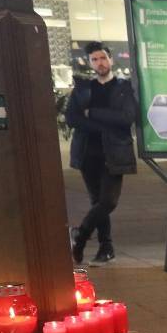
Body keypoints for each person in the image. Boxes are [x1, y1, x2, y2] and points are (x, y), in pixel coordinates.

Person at [65, 42, 137, 265]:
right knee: (97, 201)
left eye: (103, 58)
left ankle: (81, 234)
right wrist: (104, 124)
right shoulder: (83, 89)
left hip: (114, 152)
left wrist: (93, 113)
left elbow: (127, 117)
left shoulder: (123, 87)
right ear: (90, 63)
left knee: (107, 201)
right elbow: (72, 118)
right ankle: (106, 248)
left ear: (111, 60)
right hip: (88, 153)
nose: (100, 63)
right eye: (95, 59)